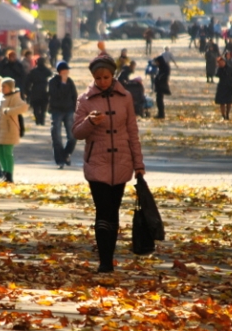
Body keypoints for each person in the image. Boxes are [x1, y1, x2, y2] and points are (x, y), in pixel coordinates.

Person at [73, 53, 146, 273]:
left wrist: (138, 165)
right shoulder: (85, 100)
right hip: (97, 162)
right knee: (102, 211)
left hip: (121, 162)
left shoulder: (125, 97)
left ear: (112, 75)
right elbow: (76, 132)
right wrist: (90, 122)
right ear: (93, 78)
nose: (102, 81)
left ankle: (110, 256)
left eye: (106, 77)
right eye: (98, 78)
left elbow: (133, 132)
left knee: (113, 212)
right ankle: (104, 261)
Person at [0, 78, 29, 184]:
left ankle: (9, 175)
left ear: (10, 87)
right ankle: (5, 172)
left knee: (7, 152)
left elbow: (24, 107)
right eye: (1, 86)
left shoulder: (15, 97)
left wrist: (9, 111)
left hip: (10, 129)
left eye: (4, 86)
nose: (2, 89)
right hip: (0, 128)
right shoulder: (0, 97)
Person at [48, 61, 78, 169]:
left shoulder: (70, 82)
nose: (67, 72)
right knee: (57, 136)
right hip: (57, 111)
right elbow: (54, 94)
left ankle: (66, 154)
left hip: (69, 110)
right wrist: (62, 83)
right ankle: (60, 160)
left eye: (67, 70)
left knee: (73, 136)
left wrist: (75, 108)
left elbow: (74, 96)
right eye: (65, 70)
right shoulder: (53, 82)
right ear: (60, 72)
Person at [26, 57, 51, 126]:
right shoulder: (47, 71)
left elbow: (28, 82)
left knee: (35, 107)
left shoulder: (33, 71)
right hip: (44, 90)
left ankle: (37, 120)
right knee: (43, 108)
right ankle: (42, 120)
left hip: (35, 90)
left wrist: (27, 92)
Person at [215, 56, 232, 120]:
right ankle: (223, 115)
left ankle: (227, 114)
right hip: (221, 87)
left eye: (222, 62)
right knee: (222, 103)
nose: (221, 63)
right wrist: (219, 68)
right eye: (220, 62)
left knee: (229, 102)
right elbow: (216, 75)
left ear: (225, 62)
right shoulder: (219, 69)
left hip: (229, 87)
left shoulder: (229, 68)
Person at [152, 54, 171, 119]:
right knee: (159, 100)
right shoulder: (161, 67)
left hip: (161, 86)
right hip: (159, 86)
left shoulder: (164, 67)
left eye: (157, 62)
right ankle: (160, 113)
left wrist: (158, 78)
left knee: (159, 100)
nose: (156, 63)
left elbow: (163, 76)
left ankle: (161, 114)